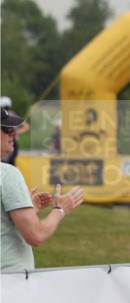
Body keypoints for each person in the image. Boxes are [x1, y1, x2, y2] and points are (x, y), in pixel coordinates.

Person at [1, 108, 84, 272]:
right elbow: (36, 236)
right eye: (7, 129)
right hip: (9, 283)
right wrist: (60, 210)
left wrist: (24, 210)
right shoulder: (8, 174)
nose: (14, 134)